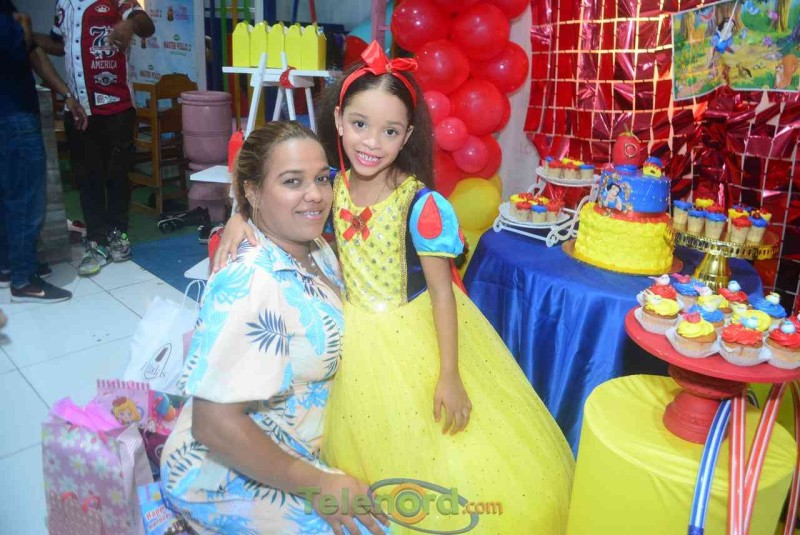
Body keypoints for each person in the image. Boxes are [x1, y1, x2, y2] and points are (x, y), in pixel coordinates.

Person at [215, 42, 574, 533]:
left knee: (438, 450)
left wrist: (449, 373)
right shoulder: (330, 186)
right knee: (372, 446)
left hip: (415, 338)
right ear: (338, 120)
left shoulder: (421, 205)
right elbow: (272, 183)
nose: (372, 142)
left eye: (389, 131)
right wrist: (240, 215)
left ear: (407, 136)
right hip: (355, 335)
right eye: (360, 124)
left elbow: (443, 293)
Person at [160, 122, 388, 535]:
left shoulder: (314, 247)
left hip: (299, 444)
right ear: (252, 191)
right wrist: (319, 484)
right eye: (292, 181)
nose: (315, 194)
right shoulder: (251, 281)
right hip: (224, 469)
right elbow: (213, 425)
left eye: (321, 178)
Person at [35, 1, 155, 276]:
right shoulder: (64, 4)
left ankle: (118, 234)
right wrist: (27, 37)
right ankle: (96, 241)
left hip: (117, 108)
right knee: (88, 179)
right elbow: (60, 45)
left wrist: (130, 24)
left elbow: (146, 25)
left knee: (117, 175)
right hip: (79, 109)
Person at [0, 3, 87, 302]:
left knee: (9, 194)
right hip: (13, 114)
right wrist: (23, 25)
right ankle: (24, 279)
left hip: (11, 112)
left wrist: (66, 95)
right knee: (26, 198)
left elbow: (33, 51)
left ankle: (10, 266)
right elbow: (21, 45)